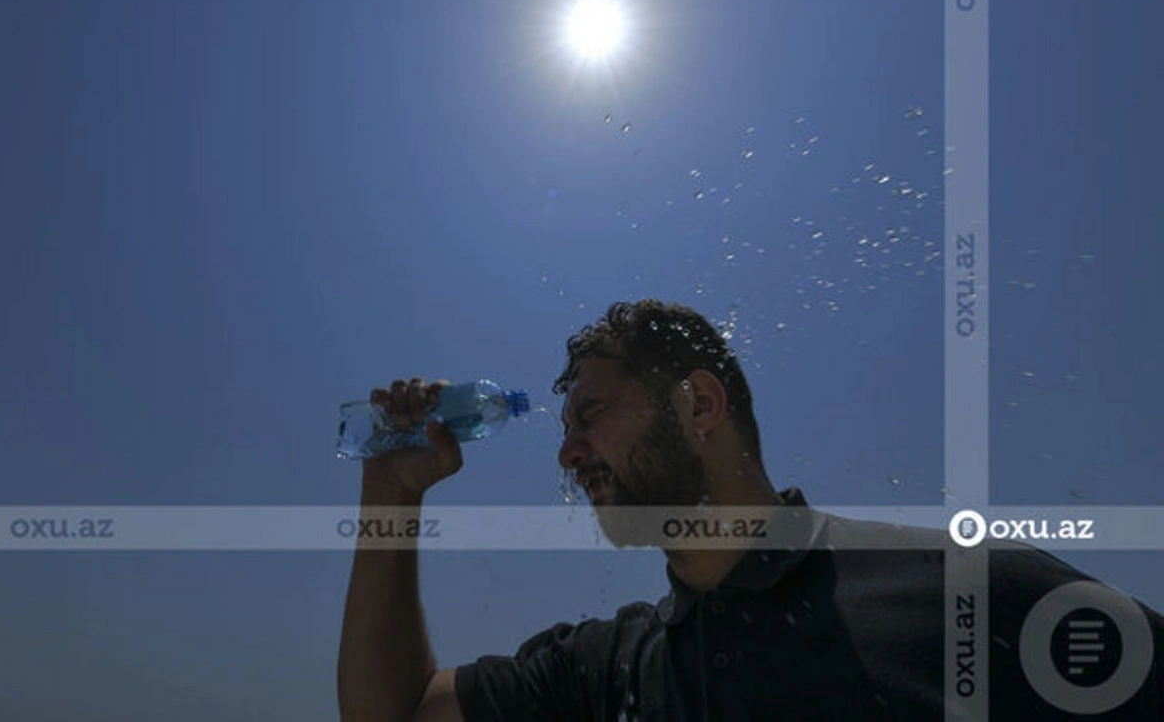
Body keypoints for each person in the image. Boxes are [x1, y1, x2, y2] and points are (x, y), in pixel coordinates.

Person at [338, 299, 1163, 721]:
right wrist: (391, 495)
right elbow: (394, 713)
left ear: (699, 406)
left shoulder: (968, 593)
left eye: (589, 417)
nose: (567, 454)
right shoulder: (611, 669)